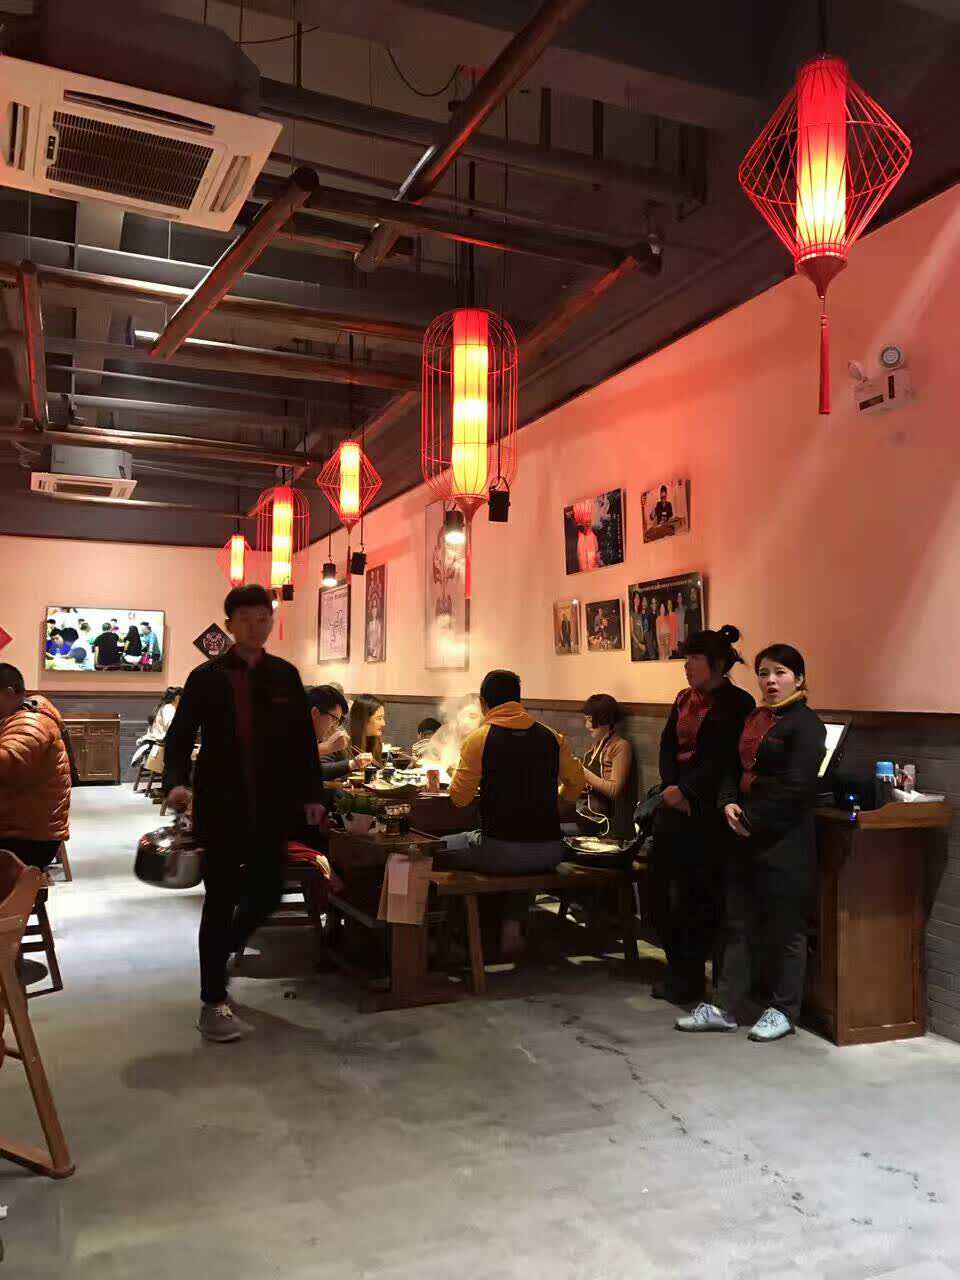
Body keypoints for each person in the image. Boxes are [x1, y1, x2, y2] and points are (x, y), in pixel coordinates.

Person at [163, 584, 324, 1043]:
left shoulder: (285, 676)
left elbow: (303, 743)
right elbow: (179, 737)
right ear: (230, 625)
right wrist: (177, 782)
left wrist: (312, 794)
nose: (257, 627)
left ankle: (223, 951)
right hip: (221, 807)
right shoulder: (206, 677)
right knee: (219, 899)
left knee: (269, 890)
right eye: (248, 619)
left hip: (272, 807)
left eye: (264, 618)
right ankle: (212, 1001)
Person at [677, 643, 826, 1042]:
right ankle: (724, 1006)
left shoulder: (807, 725)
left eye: (780, 673)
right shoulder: (756, 718)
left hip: (784, 840)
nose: (771, 681)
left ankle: (783, 1010)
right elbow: (732, 767)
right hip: (742, 835)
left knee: (786, 929)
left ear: (799, 678)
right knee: (737, 923)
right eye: (763, 673)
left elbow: (798, 788)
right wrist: (727, 802)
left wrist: (752, 819)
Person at [443, 670, 585, 957]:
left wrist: (462, 774)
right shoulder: (552, 737)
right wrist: (557, 805)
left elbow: (459, 799)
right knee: (522, 851)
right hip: (550, 851)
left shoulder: (479, 739)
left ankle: (458, 935)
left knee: (436, 848)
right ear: (519, 700)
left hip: (497, 851)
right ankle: (512, 925)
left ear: (483, 703)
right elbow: (576, 784)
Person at [648, 626, 755, 1005]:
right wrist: (671, 787)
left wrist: (688, 791)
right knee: (658, 891)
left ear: (718, 664)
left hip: (708, 812)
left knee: (697, 898)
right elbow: (667, 744)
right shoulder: (683, 698)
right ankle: (677, 968)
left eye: (695, 658)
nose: (687, 665)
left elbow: (724, 757)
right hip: (673, 804)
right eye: (686, 658)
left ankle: (689, 977)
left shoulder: (737, 703)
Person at [0, 665, 71, 872]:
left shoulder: (31, 722)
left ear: (9, 693)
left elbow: (8, 760)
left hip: (26, 837)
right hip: (18, 826)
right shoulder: (16, 717)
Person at [578, 694, 637, 841]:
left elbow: (614, 790)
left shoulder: (620, 746)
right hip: (589, 815)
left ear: (604, 719)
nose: (586, 726)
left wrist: (582, 772)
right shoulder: (596, 746)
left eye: (590, 720)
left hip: (608, 824)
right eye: (586, 720)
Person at [349, 694, 386, 763]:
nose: (383, 723)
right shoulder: (344, 744)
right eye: (379, 718)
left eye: (383, 718)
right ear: (364, 719)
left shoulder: (376, 742)